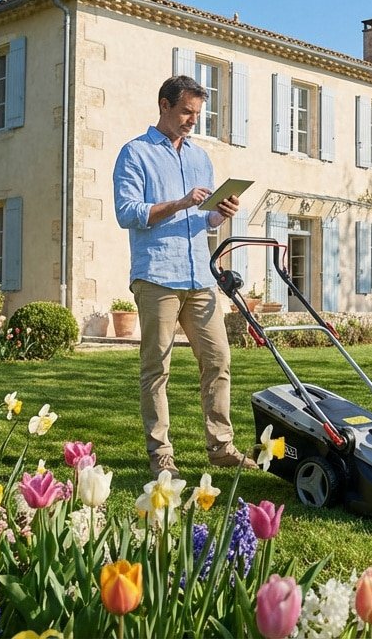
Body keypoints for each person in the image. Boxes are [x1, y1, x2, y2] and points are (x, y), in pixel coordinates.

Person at [113, 74, 257, 477]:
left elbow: (204, 218)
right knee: (156, 367)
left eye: (197, 113)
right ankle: (161, 454)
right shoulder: (135, 153)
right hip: (157, 275)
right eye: (186, 112)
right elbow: (128, 213)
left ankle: (221, 446)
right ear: (164, 105)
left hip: (200, 277)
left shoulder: (199, 158)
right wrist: (178, 202)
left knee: (218, 360)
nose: (193, 120)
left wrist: (218, 212)